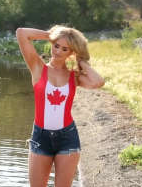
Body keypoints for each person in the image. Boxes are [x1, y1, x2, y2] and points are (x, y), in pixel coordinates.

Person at [16, 25, 105, 187]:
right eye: (56, 45)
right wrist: (52, 35)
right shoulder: (37, 67)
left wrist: (81, 61)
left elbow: (98, 82)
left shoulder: (74, 76)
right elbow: (22, 33)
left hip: (67, 138)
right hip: (40, 138)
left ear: (71, 52)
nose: (57, 51)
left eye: (65, 49)